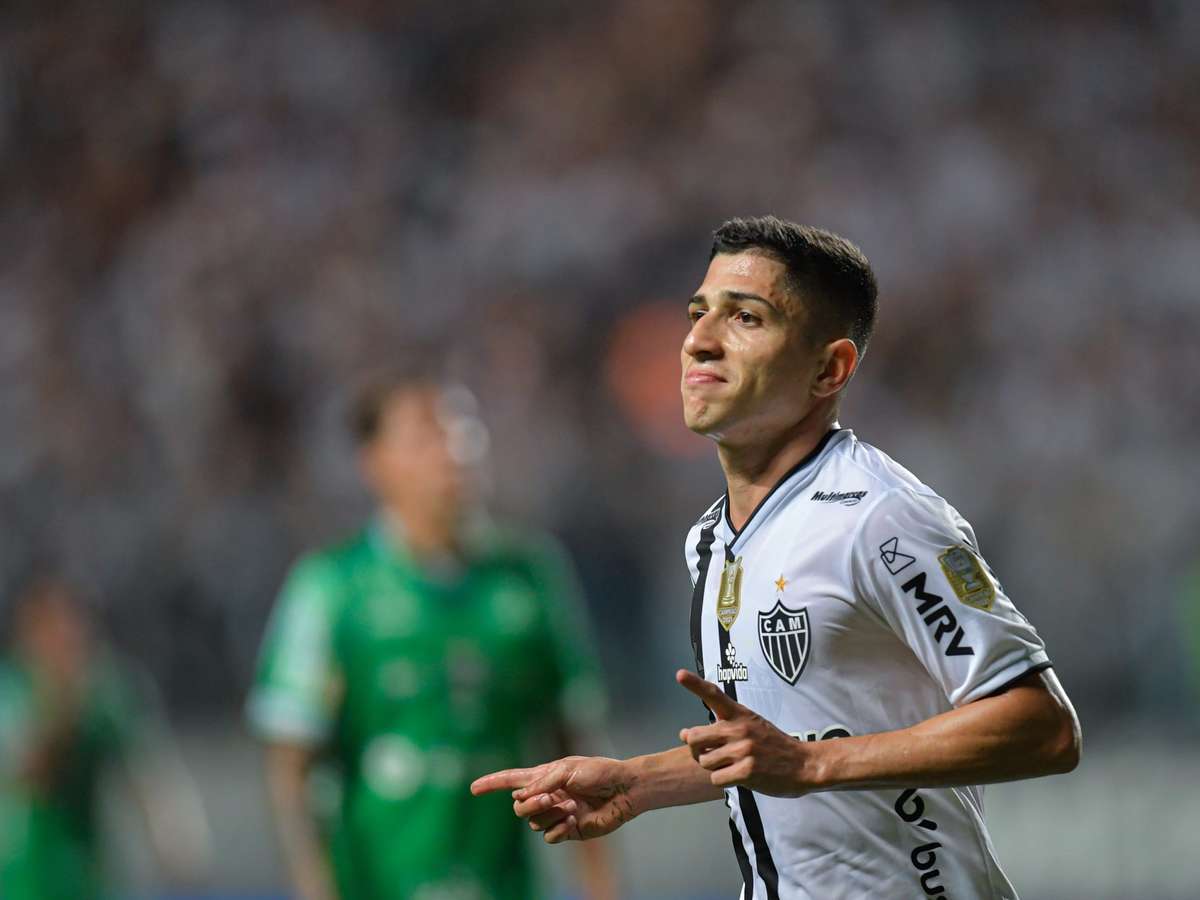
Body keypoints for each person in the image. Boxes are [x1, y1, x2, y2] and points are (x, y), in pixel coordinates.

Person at [472, 216, 1082, 899]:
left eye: (746, 318)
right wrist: (637, 783)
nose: (699, 340)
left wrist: (812, 765)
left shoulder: (880, 516)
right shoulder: (712, 539)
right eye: (698, 313)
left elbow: (1044, 726)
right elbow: (778, 748)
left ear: (830, 368)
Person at [247, 367, 616, 900]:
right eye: (427, 434)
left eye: (464, 429)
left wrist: (602, 887)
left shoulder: (528, 576)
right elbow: (291, 766)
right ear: (375, 462)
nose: (455, 449)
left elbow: (574, 743)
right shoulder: (331, 587)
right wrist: (315, 888)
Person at [0, 576, 210, 900]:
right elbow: (30, 771)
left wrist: (176, 839)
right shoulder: (11, 691)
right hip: (19, 880)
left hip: (86, 879)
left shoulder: (107, 692)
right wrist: (63, 706)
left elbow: (148, 772)